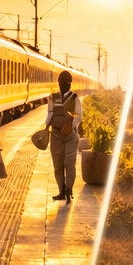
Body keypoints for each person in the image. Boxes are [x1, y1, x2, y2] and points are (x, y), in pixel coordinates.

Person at [44, 70, 82, 203]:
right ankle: (61, 191)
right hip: (55, 135)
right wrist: (46, 127)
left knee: (70, 162)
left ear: (70, 85)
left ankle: (69, 190)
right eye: (63, 84)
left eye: (67, 84)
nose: (65, 86)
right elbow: (49, 114)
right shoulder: (52, 98)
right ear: (59, 84)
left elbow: (79, 116)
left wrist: (70, 125)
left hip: (71, 135)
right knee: (57, 164)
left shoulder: (74, 98)